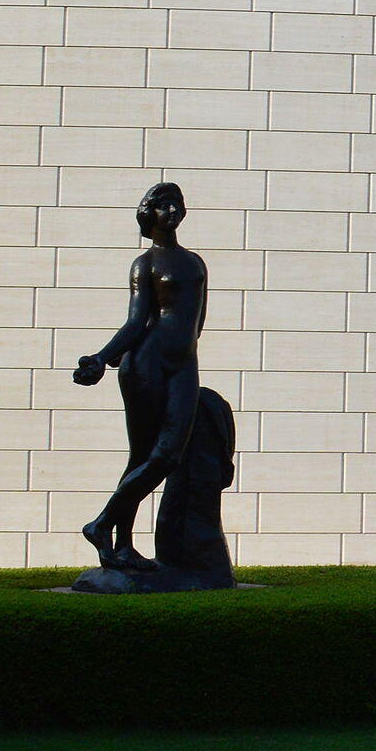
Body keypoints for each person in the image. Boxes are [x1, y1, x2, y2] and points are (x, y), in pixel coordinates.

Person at [74, 182, 221, 582]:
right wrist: (103, 358)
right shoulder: (145, 264)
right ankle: (121, 543)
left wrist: (182, 354)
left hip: (182, 362)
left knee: (167, 454)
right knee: (143, 456)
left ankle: (102, 525)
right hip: (147, 363)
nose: (172, 211)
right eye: (164, 205)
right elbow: (137, 321)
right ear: (149, 214)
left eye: (178, 204)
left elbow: (198, 322)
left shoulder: (194, 263)